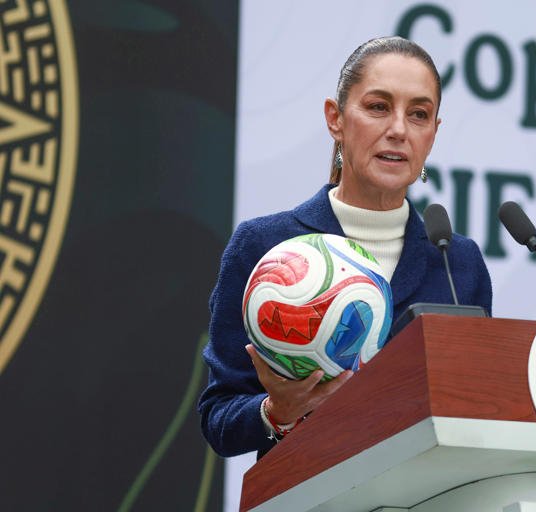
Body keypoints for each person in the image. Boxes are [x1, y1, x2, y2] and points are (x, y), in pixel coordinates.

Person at [198, 36, 493, 458]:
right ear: (335, 119)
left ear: (433, 134)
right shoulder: (263, 245)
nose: (399, 130)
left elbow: (477, 410)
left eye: (419, 114)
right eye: (378, 107)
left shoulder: (457, 262)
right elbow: (219, 417)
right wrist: (277, 413)